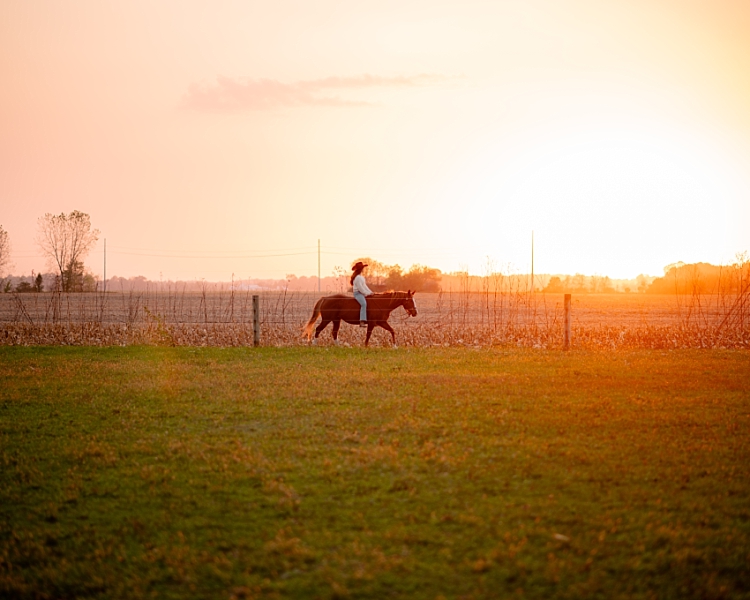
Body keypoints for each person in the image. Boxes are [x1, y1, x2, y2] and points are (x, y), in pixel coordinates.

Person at [351, 261, 373, 327]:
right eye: (363, 268)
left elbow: (365, 286)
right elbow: (360, 288)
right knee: (364, 304)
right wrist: (367, 293)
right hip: (358, 293)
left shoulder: (361, 277)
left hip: (362, 293)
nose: (364, 270)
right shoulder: (357, 278)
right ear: (361, 269)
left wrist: (370, 292)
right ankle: (362, 321)